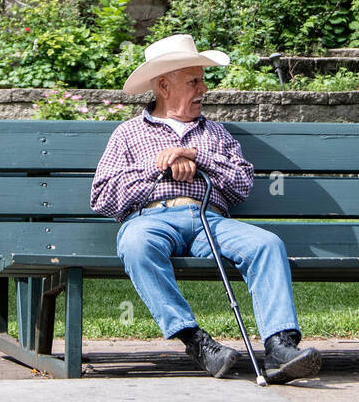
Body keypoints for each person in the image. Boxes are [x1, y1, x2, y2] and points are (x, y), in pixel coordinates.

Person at [90, 33, 322, 383]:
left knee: (266, 244)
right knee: (136, 245)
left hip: (207, 219)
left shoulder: (215, 133)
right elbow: (102, 196)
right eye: (194, 81)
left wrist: (198, 158)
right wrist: (158, 166)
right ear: (164, 85)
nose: (203, 89)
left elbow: (242, 183)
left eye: (203, 80)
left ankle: (280, 345)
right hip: (151, 219)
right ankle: (196, 341)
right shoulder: (127, 133)